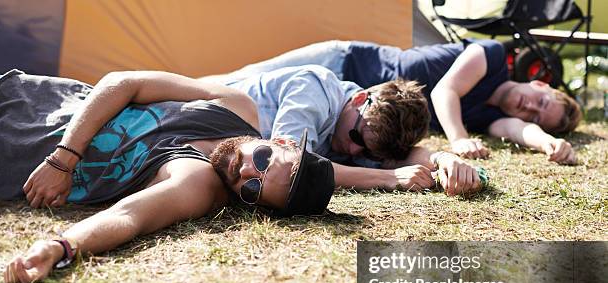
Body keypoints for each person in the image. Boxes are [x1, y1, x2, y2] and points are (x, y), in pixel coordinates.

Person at [0, 69, 334, 283]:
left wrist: (60, 247)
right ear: (281, 141)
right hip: (19, 93)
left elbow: (129, 217)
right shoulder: (236, 105)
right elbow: (125, 83)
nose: (245, 172)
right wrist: (63, 160)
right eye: (263, 160)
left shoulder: (198, 182)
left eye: (252, 189)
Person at [205, 39, 582, 164]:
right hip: (341, 64)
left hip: (365, 112)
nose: (529, 107)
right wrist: (457, 139)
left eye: (537, 115)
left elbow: (516, 128)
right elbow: (443, 91)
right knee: (235, 81)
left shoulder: (488, 114)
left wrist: (546, 141)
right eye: (539, 101)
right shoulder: (494, 56)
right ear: (541, 84)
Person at [201, 64, 483, 195]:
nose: (352, 150)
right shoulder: (315, 87)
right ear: (359, 99)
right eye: (357, 137)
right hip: (184, 121)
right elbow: (293, 163)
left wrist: (444, 160)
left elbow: (404, 157)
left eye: (365, 151)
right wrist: (386, 178)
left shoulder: (362, 127)